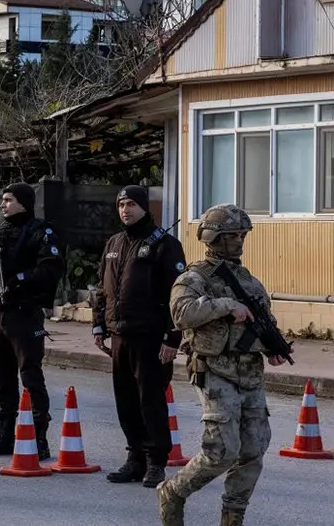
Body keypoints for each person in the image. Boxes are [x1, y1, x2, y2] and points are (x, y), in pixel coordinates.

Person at [157, 204, 287, 526]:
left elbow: (263, 320)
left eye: (243, 234)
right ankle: (173, 491)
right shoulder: (194, 277)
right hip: (215, 370)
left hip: (250, 373)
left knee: (254, 449)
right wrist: (226, 305)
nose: (239, 240)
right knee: (221, 451)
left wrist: (272, 346)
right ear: (214, 237)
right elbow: (181, 315)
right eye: (232, 235)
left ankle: (233, 516)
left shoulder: (250, 281)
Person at [93, 185, 186, 488]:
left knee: (151, 402)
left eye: (132, 204)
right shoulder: (114, 243)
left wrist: (173, 338)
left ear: (145, 207)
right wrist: (99, 325)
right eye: (121, 205)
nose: (125, 210)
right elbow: (102, 289)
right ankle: (135, 459)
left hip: (151, 338)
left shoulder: (165, 244)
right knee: (126, 401)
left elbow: (177, 295)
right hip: (120, 335)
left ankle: (156, 462)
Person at [0, 182, 65, 460]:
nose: (3, 205)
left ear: (24, 202)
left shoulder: (41, 232)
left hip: (25, 313)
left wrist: (19, 280)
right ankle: (5, 435)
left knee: (31, 377)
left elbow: (51, 268)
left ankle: (40, 438)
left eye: (8, 200)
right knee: (2, 378)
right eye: (2, 200)